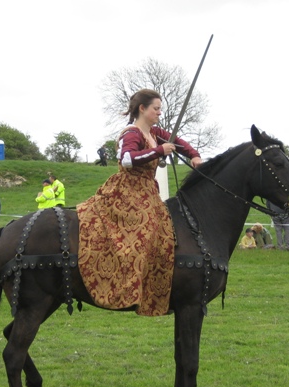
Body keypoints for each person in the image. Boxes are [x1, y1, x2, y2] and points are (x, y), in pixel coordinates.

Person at [76, 88, 202, 316]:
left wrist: (194, 155)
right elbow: (126, 159)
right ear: (142, 109)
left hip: (148, 192)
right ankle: (127, 289)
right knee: (137, 238)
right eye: (156, 109)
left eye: (160, 109)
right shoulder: (132, 133)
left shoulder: (155, 132)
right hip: (127, 192)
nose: (159, 113)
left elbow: (179, 141)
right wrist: (159, 151)